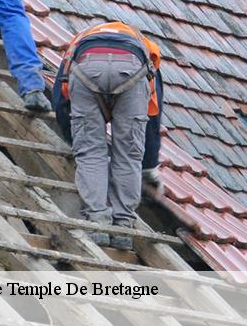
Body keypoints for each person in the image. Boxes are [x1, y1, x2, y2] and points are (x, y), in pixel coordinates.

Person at [52, 22, 164, 250]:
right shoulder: (147, 48)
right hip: (133, 70)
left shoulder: (78, 43)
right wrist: (150, 164)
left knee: (91, 154)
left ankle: (97, 222)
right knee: (128, 155)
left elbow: (60, 100)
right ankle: (123, 226)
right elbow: (153, 111)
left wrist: (75, 141)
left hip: (85, 69)